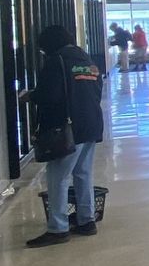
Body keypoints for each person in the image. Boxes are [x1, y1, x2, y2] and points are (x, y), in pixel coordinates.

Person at [26, 25, 104, 248]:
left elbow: (50, 94)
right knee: (83, 173)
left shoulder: (56, 61)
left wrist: (31, 96)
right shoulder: (86, 59)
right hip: (91, 123)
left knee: (58, 177)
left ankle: (58, 228)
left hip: (68, 127)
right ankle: (86, 220)